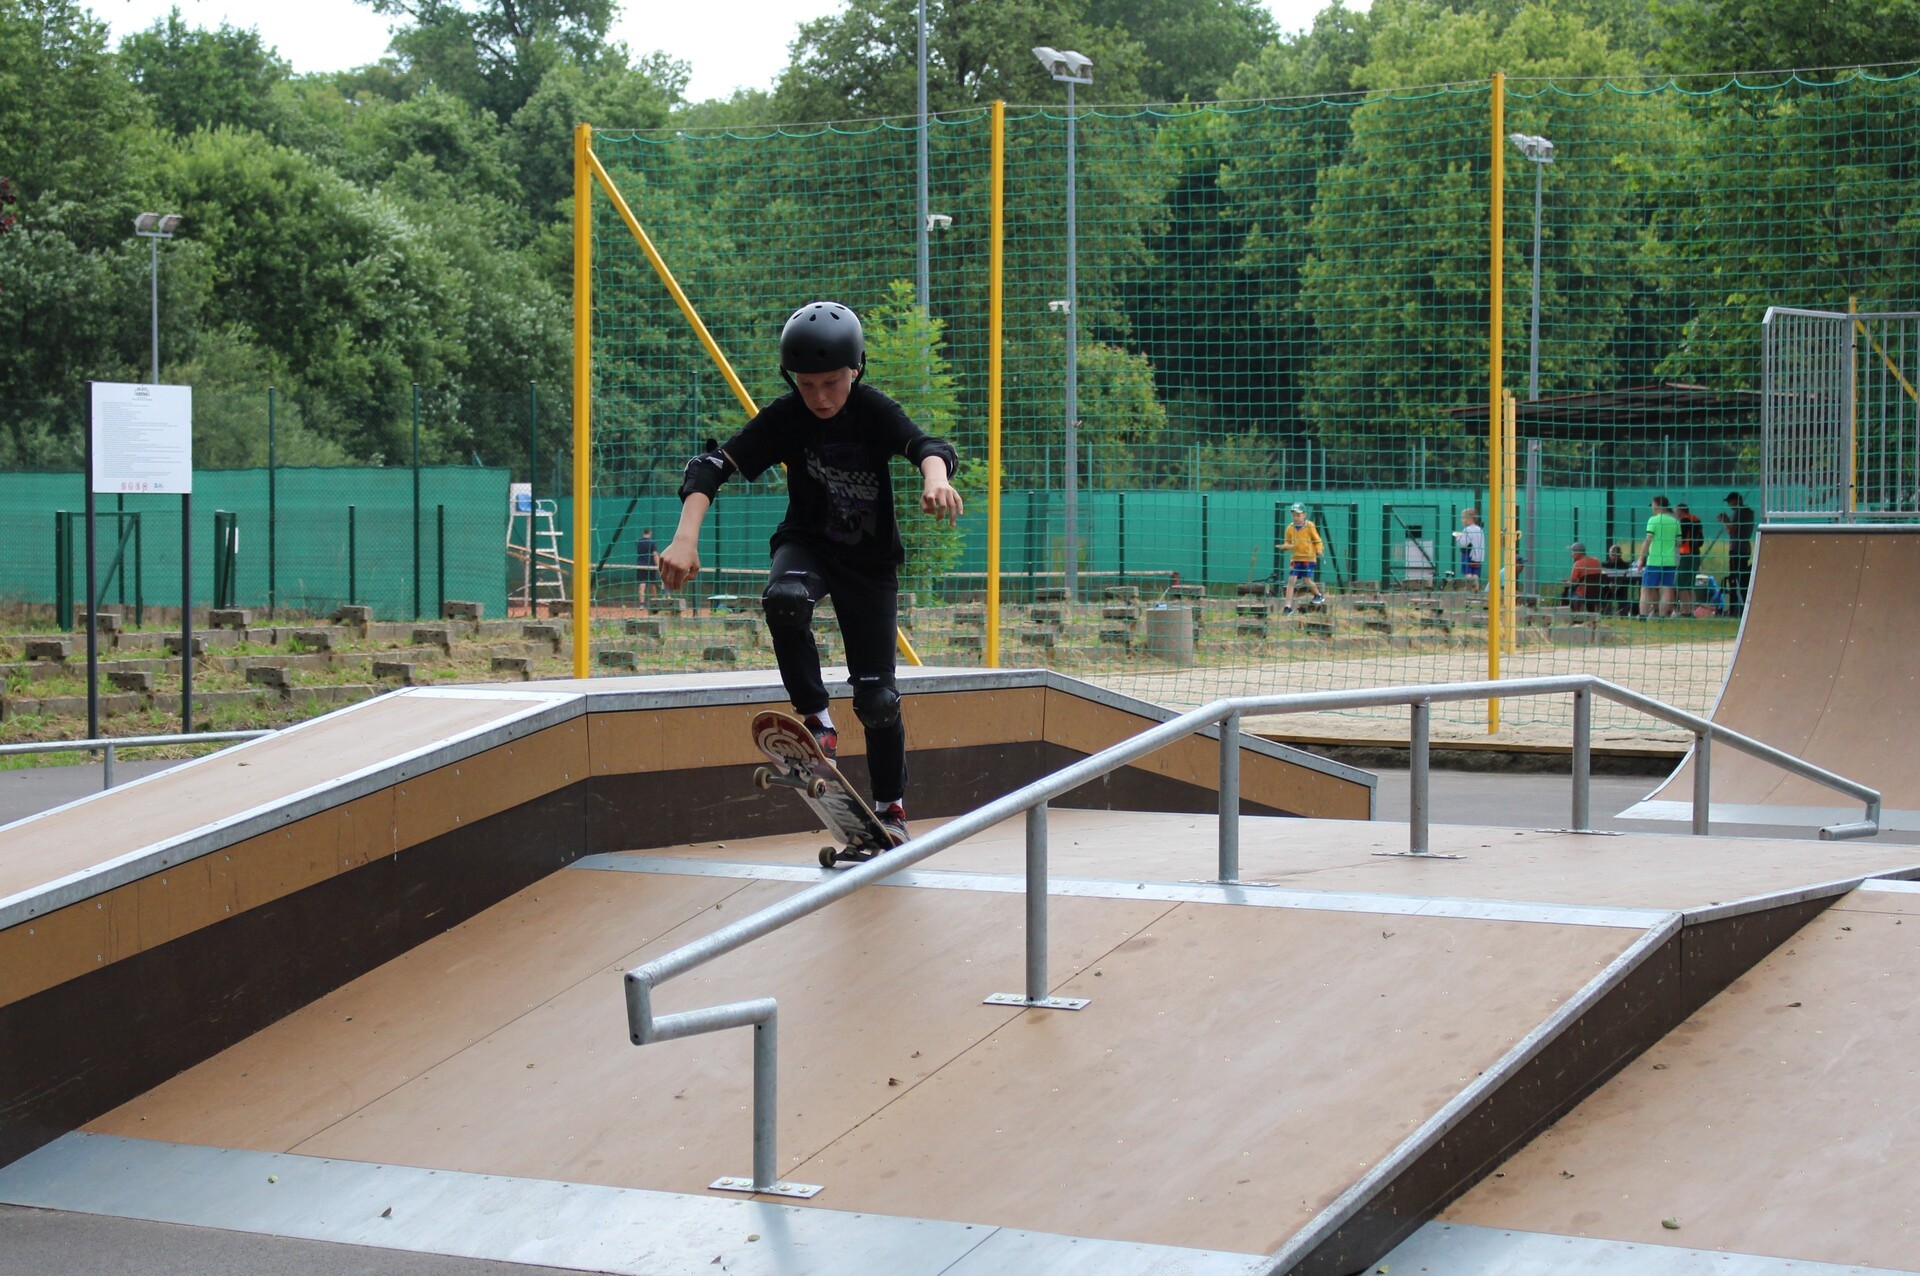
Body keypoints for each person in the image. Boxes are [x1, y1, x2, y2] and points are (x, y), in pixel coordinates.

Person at [658, 301, 963, 846]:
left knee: (877, 702)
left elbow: (927, 446)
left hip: (869, 566)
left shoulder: (871, 409)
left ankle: (891, 809)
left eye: (832, 383)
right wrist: (685, 538)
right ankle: (818, 722)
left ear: (856, 371)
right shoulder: (786, 416)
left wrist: (935, 478)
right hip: (808, 545)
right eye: (807, 385)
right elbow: (711, 467)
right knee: (785, 598)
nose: (820, 397)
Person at [1636, 495, 1682, 618]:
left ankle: (1643, 616)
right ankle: (1661, 616)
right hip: (1669, 560)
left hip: (1654, 560)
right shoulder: (1675, 521)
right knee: (1666, 589)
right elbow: (1679, 542)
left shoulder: (1653, 520)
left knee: (1645, 588)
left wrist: (1641, 558)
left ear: (1656, 505)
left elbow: (1648, 540)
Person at [1280, 503, 1328, 614]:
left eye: (1298, 515)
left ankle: (1318, 595)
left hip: (1308, 558)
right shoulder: (1290, 528)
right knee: (1291, 580)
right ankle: (1287, 606)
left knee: (1306, 580)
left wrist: (1319, 549)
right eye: (1294, 515)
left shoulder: (1310, 526)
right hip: (1295, 559)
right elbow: (1288, 542)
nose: (1295, 518)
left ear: (1304, 515)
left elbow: (1317, 540)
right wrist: (1285, 547)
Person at [1718, 491, 1756, 616]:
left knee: (1736, 580)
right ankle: (1737, 607)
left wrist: (1725, 520)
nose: (1729, 504)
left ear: (1736, 500)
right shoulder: (1748, 512)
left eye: (1730, 501)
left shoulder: (1739, 512)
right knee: (1740, 579)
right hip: (1745, 548)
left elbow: (1733, 529)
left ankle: (1736, 609)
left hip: (1737, 549)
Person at [1675, 503, 1704, 607]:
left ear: (1680, 511)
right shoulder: (1696, 520)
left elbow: (1681, 540)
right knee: (1690, 585)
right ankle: (1692, 610)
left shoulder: (1684, 521)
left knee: (1681, 585)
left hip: (1686, 555)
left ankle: (1686, 611)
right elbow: (1701, 541)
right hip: (1696, 555)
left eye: (1676, 510)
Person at [1451, 508, 1486, 590]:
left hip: (1468, 554)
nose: (1462, 520)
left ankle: (1469, 590)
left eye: (1463, 518)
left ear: (1470, 519)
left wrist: (1458, 537)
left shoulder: (1467, 530)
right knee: (1475, 573)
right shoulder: (1479, 529)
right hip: (1478, 556)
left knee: (1468, 572)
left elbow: (1464, 543)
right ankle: (1476, 589)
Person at [1566, 541, 1603, 612]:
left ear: (1577, 553)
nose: (1571, 554)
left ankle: (1574, 612)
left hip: (1583, 593)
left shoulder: (1578, 564)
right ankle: (1591, 612)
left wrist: (1567, 583)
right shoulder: (1597, 561)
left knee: (1567, 592)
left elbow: (1572, 581)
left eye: (1572, 552)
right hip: (1597, 592)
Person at [635, 527, 658, 608]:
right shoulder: (652, 542)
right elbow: (655, 554)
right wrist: (658, 565)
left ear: (643, 532)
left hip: (640, 565)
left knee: (642, 584)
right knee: (652, 585)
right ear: (650, 533)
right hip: (650, 566)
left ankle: (642, 604)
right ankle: (654, 603)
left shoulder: (638, 541)